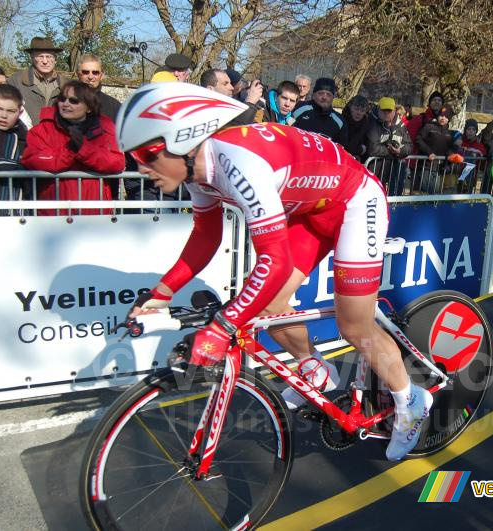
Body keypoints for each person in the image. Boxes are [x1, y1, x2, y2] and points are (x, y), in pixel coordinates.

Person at [118, 83, 432, 461]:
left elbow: (275, 260)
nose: (140, 167)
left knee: (354, 325)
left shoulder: (237, 163)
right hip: (313, 209)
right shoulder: (197, 173)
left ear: (183, 141)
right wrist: (162, 292)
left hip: (355, 200)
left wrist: (221, 328)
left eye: (148, 154)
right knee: (269, 304)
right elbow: (205, 237)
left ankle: (412, 400)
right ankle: (314, 370)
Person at [21, 80, 125, 215]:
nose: (66, 104)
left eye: (74, 101)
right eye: (62, 99)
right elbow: (31, 159)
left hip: (95, 214)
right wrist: (69, 151)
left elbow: (117, 162)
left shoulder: (105, 127)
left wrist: (85, 149)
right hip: (54, 215)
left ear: (89, 107)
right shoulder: (43, 129)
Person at [7, 36, 70, 126]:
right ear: (32, 58)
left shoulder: (66, 85)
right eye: (40, 56)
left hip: (56, 138)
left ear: (55, 59)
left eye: (48, 56)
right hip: (25, 137)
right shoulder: (16, 81)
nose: (45, 61)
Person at [365, 96, 412, 195]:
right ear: (378, 109)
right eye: (383, 111)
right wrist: (391, 151)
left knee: (394, 198)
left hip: (396, 170)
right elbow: (372, 148)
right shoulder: (371, 123)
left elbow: (409, 146)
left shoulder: (401, 125)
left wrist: (400, 151)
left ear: (394, 110)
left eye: (389, 111)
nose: (386, 113)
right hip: (375, 169)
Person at [289, 77, 348, 147]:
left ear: (332, 98)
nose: (324, 97)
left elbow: (341, 149)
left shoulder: (339, 121)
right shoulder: (299, 108)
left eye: (328, 95)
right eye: (321, 93)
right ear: (313, 95)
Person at [76, 54, 121, 122]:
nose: (90, 77)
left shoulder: (114, 107)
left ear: (101, 75)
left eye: (95, 72)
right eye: (85, 72)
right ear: (78, 74)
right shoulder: (65, 102)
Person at [341, 95, 371, 160]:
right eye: (356, 109)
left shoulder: (366, 125)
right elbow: (343, 146)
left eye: (362, 110)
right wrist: (360, 150)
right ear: (350, 107)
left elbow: (369, 148)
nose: (359, 113)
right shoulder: (341, 121)